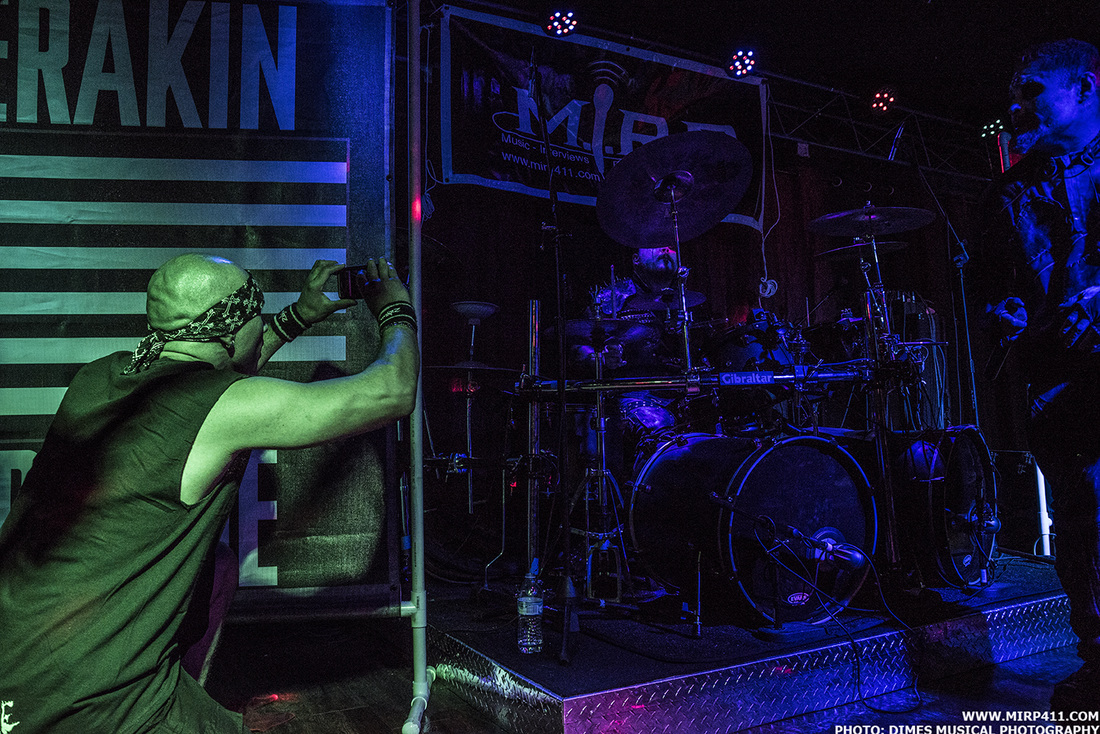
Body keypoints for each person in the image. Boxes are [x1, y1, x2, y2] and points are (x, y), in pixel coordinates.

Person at [0, 255, 419, 733]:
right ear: (230, 330)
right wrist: (395, 309)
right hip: (81, 697)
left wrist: (299, 316)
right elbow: (391, 392)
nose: (262, 323)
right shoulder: (220, 407)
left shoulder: (98, 378)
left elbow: (220, 377)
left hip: (16, 649)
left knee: (217, 566)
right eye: (255, 312)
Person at [974, 38, 1100, 711]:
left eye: (1032, 90)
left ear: (1084, 87)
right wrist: (1009, 309)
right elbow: (1001, 278)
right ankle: (1096, 657)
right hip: (1058, 377)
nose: (1019, 105)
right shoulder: (1013, 186)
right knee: (1081, 518)